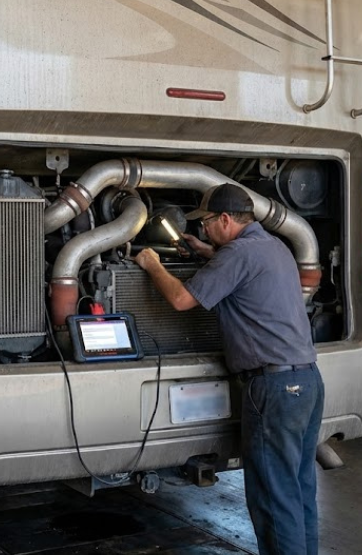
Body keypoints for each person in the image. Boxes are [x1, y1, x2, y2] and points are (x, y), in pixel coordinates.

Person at [134, 183, 324, 555]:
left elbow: (180, 298)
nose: (203, 230)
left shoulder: (237, 254)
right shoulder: (274, 246)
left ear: (224, 218)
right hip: (307, 382)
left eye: (205, 223)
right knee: (298, 492)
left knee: (272, 498)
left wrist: (152, 264)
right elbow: (245, 276)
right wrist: (210, 254)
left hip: (273, 390)